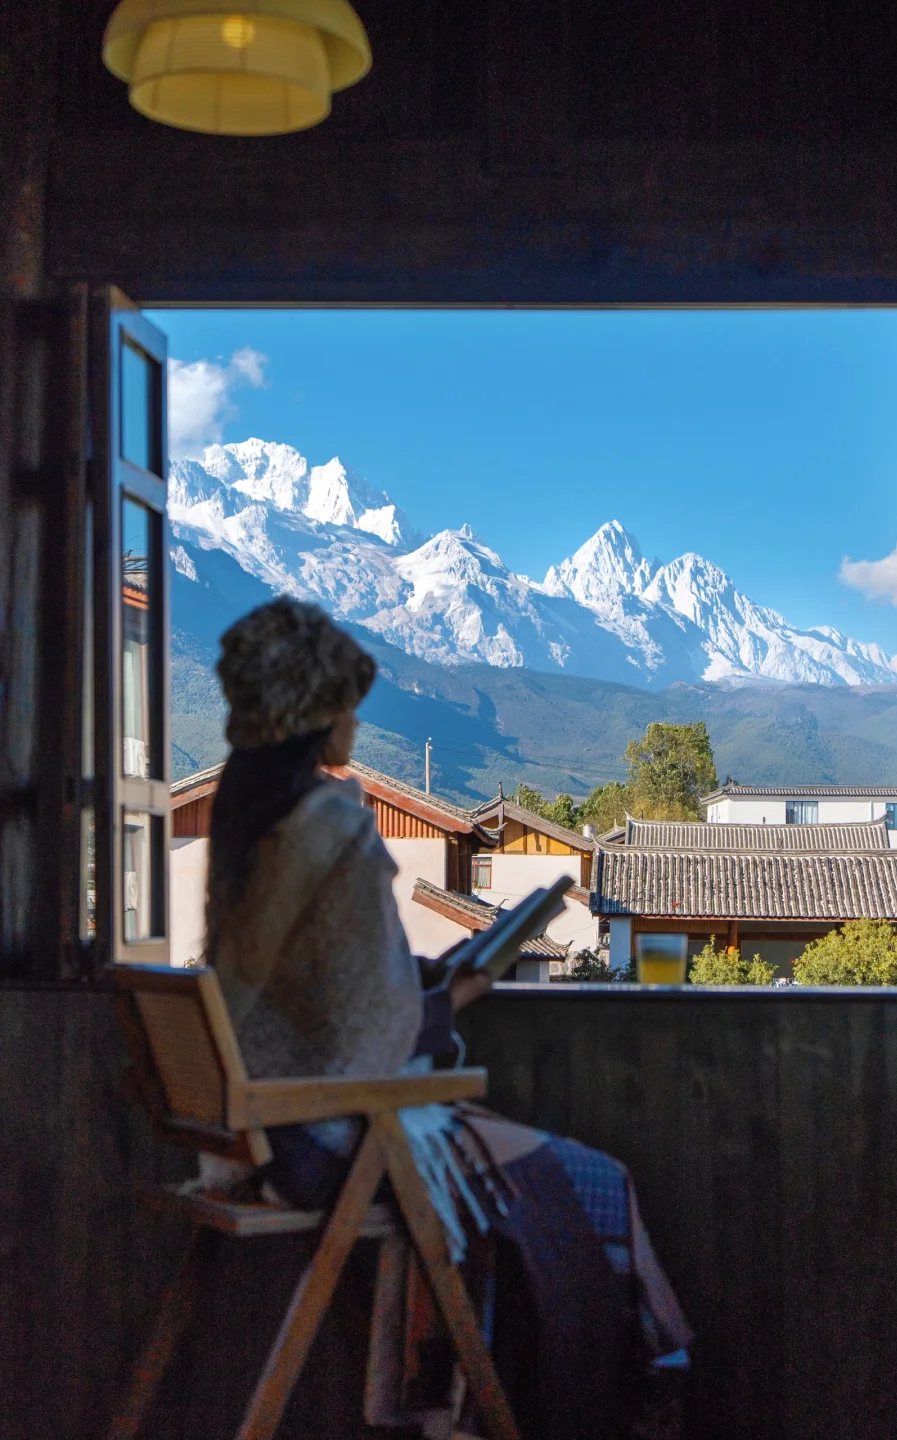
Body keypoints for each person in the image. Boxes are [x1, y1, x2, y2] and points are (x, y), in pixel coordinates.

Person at [202, 596, 691, 1440]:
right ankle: (627, 1393)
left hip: (251, 1136)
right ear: (315, 710)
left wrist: (422, 989)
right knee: (595, 1180)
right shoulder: (333, 828)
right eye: (347, 700)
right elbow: (382, 1035)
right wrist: (457, 993)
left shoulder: (246, 827)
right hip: (328, 1144)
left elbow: (317, 989)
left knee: (514, 1170)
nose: (356, 717)